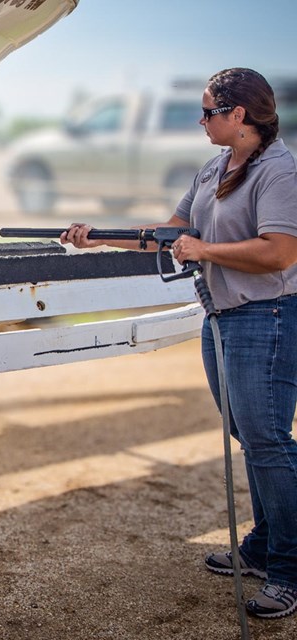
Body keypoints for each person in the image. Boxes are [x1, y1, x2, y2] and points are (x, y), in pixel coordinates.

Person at [60, 67, 297, 619]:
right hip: (224, 317)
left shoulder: (279, 171)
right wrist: (97, 239)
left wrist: (205, 251)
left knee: (267, 441)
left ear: (239, 115)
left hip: (269, 316)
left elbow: (281, 253)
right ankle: (264, 548)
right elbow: (169, 232)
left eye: (209, 111)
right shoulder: (215, 167)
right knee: (247, 434)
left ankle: (288, 570)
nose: (201, 120)